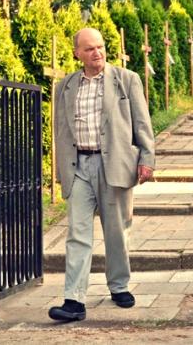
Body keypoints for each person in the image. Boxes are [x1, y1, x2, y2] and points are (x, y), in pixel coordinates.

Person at [48, 28, 155, 322]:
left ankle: (119, 285)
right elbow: (61, 130)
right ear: (77, 54)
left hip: (115, 164)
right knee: (77, 233)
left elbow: (142, 123)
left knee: (117, 230)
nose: (97, 52)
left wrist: (147, 158)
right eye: (90, 49)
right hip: (78, 166)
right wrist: (61, 170)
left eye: (100, 47)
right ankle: (74, 300)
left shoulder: (126, 79)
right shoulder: (65, 86)